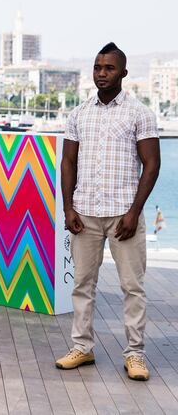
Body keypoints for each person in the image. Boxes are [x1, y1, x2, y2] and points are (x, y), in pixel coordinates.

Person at [57, 42, 160, 380]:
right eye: (98, 67)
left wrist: (134, 212)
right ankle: (82, 348)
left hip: (123, 215)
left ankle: (135, 355)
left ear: (124, 73)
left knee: (133, 286)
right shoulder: (79, 113)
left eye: (109, 68)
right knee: (83, 284)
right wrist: (68, 206)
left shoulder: (139, 113)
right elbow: (68, 162)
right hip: (85, 213)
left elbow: (152, 164)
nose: (102, 73)